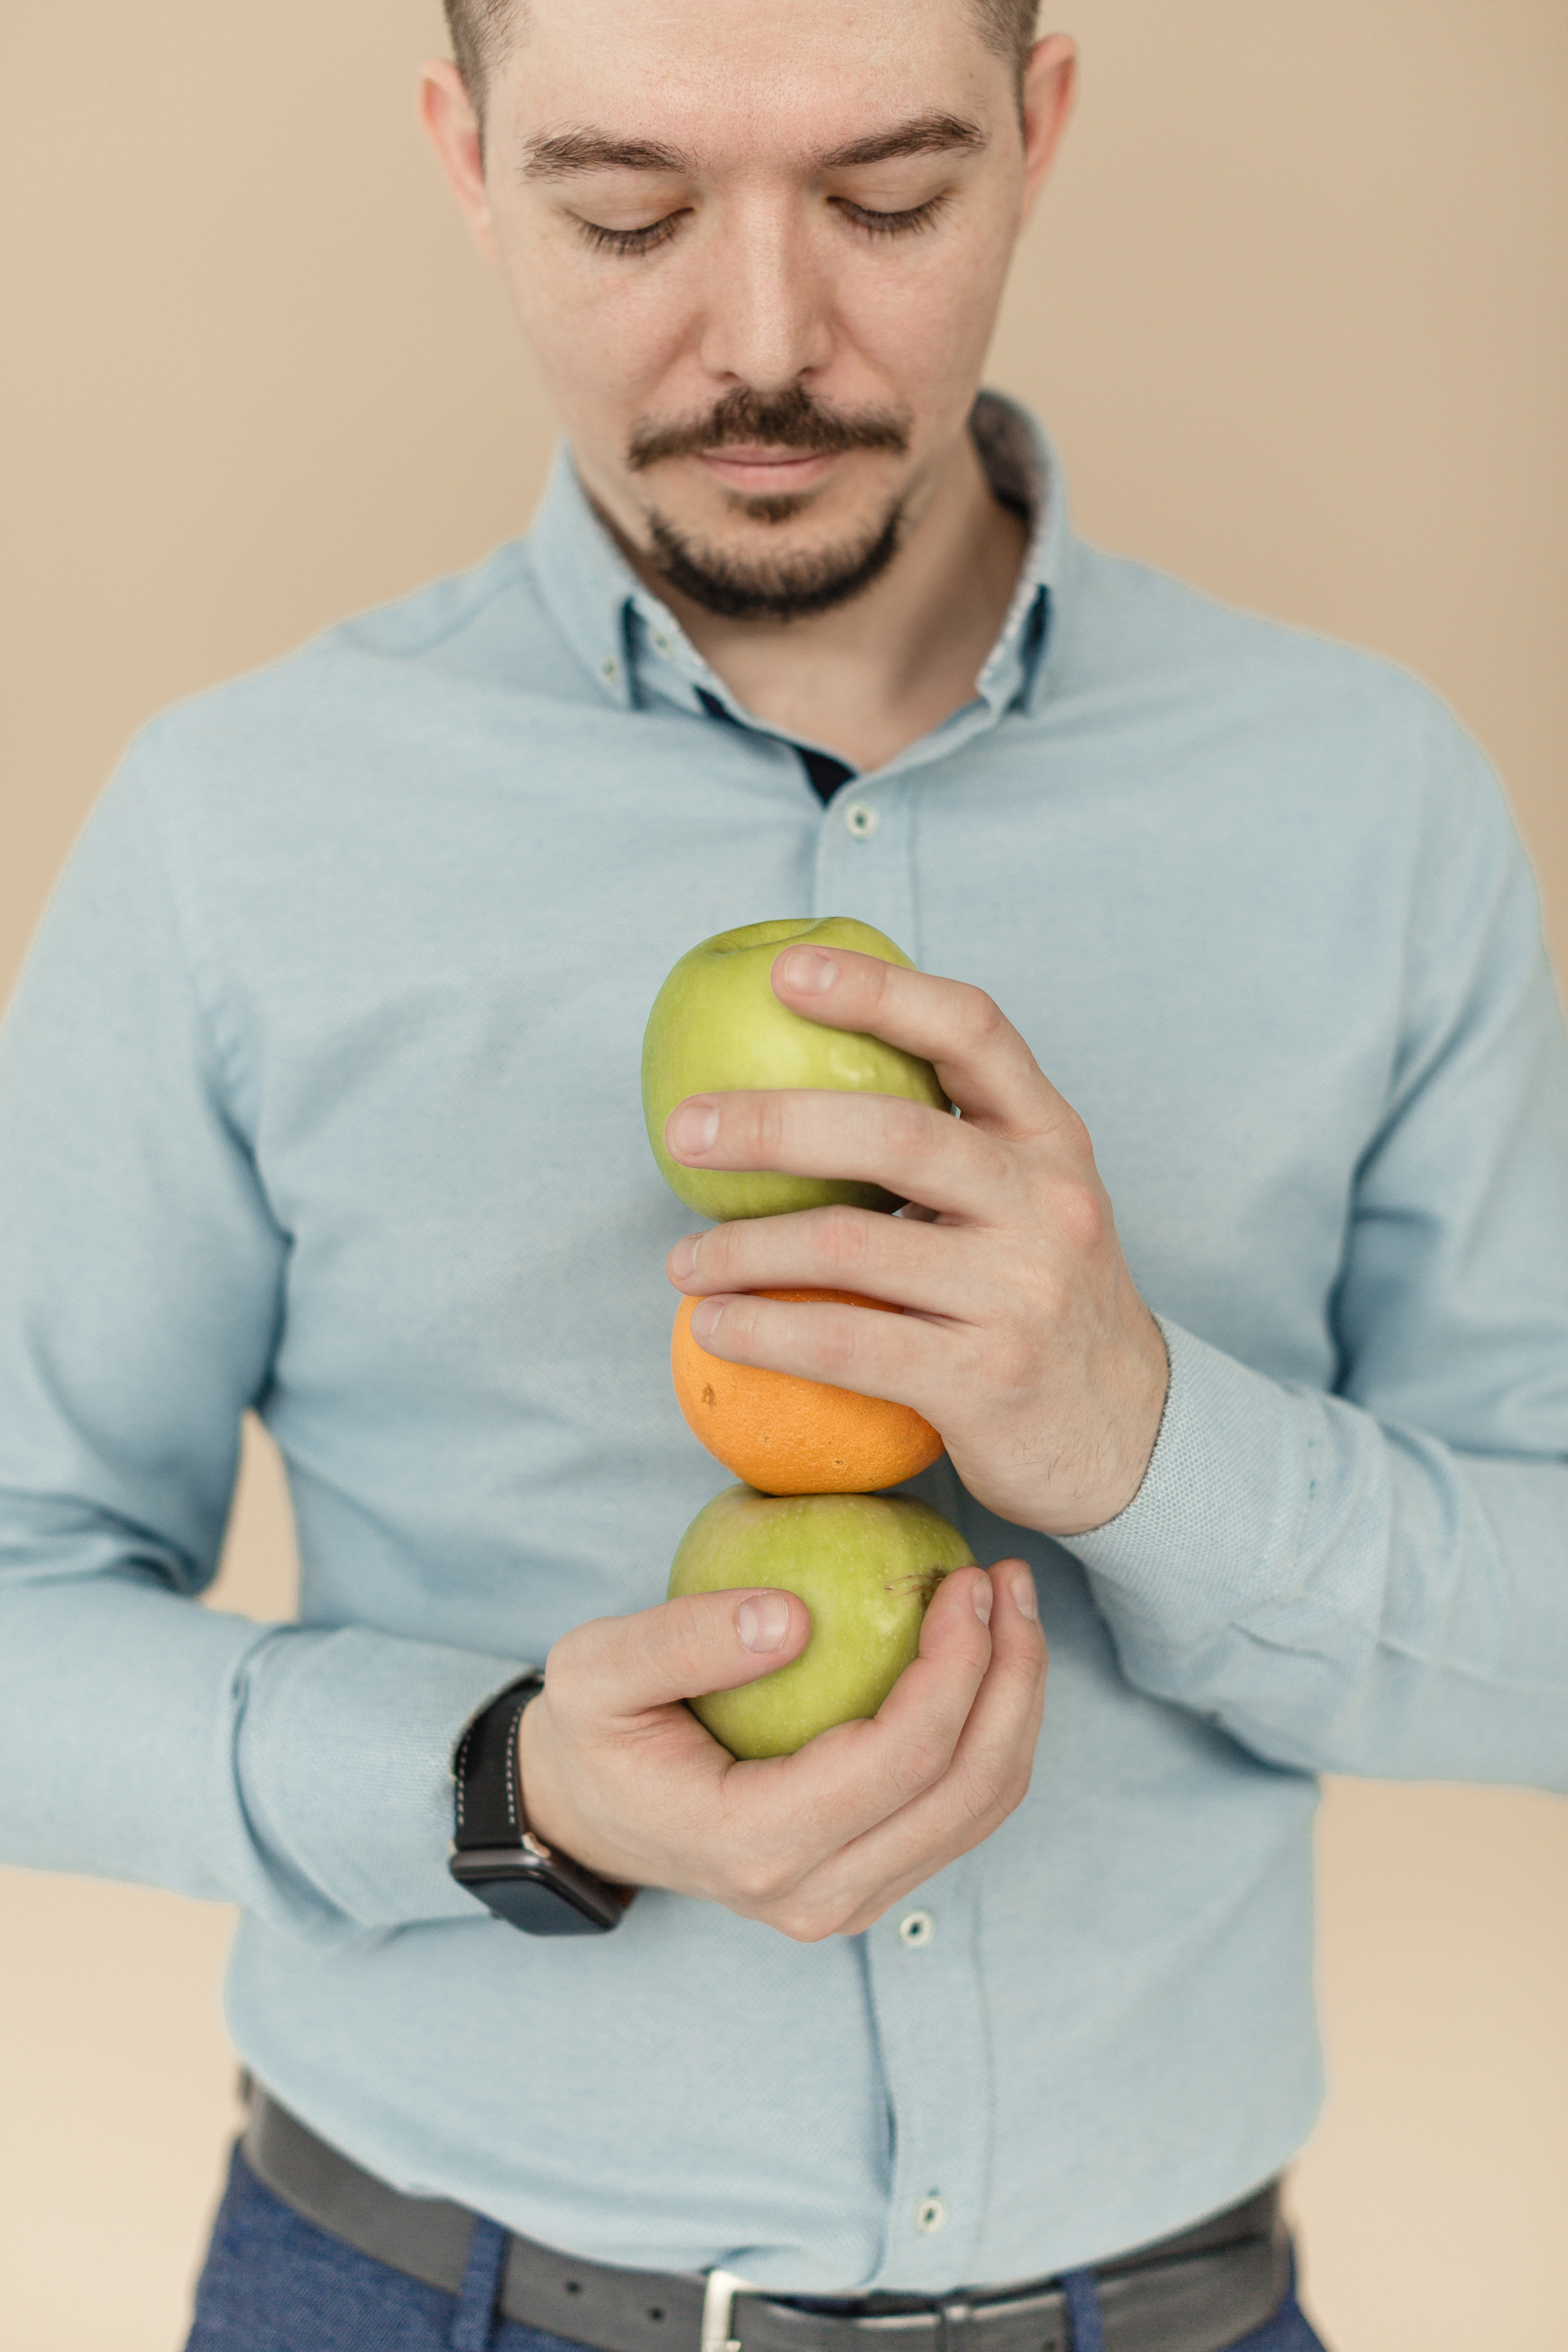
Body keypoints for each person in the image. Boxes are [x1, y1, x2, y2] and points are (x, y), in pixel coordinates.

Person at [1, 0, 1564, 2345]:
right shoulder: (239, 831)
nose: (764, 342)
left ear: (1036, 134)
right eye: (626, 210)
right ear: (465, 151)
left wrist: (1149, 1445)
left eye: (887, 200)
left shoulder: (1371, 802)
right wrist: (502, 1781)